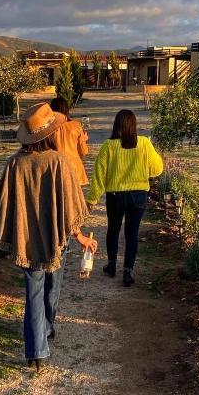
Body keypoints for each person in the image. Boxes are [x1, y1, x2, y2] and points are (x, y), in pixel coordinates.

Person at [0, 102, 98, 370]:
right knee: (53, 287)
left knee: (33, 292)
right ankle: (47, 327)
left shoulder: (14, 163)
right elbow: (70, 206)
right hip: (56, 240)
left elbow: (4, 205)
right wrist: (80, 237)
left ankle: (35, 351)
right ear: (49, 133)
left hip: (26, 241)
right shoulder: (58, 161)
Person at [86, 109, 163, 287]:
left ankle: (111, 265)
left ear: (116, 125)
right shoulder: (144, 143)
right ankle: (128, 271)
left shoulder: (108, 146)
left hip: (115, 196)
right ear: (134, 125)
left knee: (113, 230)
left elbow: (99, 175)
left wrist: (92, 199)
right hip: (138, 195)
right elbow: (157, 168)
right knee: (132, 234)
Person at [50, 96, 89, 185]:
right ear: (67, 110)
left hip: (55, 169)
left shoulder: (49, 128)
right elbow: (83, 151)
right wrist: (84, 139)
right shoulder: (76, 126)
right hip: (74, 170)